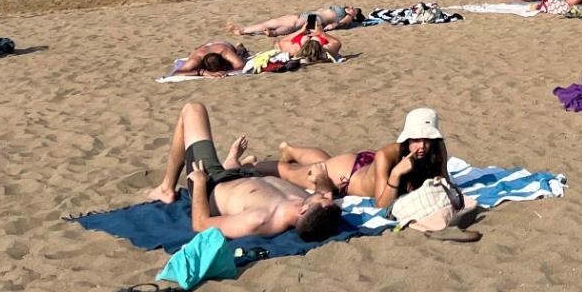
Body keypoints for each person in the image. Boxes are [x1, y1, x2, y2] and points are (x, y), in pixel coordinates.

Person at [146, 102, 342, 241]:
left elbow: (201, 224)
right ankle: (233, 162)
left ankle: (166, 188)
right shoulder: (308, 207)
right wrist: (322, 180)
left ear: (303, 210)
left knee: (193, 110)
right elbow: (325, 194)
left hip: (212, 181)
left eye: (322, 199)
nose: (326, 196)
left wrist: (198, 183)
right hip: (244, 178)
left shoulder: (257, 219)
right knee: (259, 167)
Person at [266, 107, 456, 213]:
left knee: (325, 160)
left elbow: (445, 182)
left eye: (427, 140)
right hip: (348, 175)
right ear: (406, 139)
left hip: (367, 167)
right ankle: (246, 166)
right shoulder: (387, 155)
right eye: (415, 140)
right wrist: (397, 173)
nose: (421, 146)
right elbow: (382, 204)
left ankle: (290, 150)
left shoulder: (438, 149)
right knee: (290, 173)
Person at [227, 5, 364, 37]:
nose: (351, 7)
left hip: (316, 19)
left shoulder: (348, 18)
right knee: (274, 21)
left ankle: (274, 34)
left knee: (293, 26)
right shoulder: (340, 9)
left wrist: (335, 25)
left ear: (354, 16)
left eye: (354, 10)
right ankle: (243, 30)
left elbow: (342, 23)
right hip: (307, 15)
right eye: (352, 7)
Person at [172, 40, 251, 77]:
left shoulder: (224, 51)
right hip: (203, 47)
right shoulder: (197, 57)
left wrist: (226, 72)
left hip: (221, 44)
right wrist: (203, 72)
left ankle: (240, 48)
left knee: (241, 56)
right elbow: (177, 72)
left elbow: (241, 65)